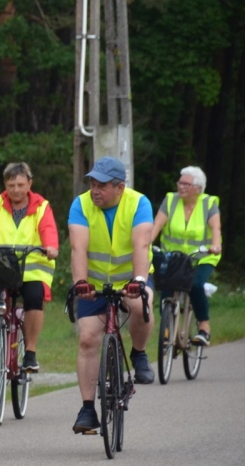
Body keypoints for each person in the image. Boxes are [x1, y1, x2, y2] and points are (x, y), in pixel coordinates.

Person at [68, 156, 155, 434]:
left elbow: (141, 244)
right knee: (87, 339)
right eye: (92, 184)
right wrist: (80, 282)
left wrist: (139, 281)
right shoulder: (80, 204)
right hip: (93, 284)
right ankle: (86, 409)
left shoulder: (138, 203)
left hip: (129, 280)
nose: (95, 190)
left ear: (120, 187)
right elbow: (78, 249)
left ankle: (139, 353)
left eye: (102, 186)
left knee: (142, 306)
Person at [0, 161, 59, 381]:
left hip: (30, 270)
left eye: (21, 184)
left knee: (34, 298)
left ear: (29, 183)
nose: (16, 189)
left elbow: (48, 229)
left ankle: (30, 352)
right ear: (5, 184)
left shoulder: (41, 206)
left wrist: (50, 247)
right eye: (11, 185)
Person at [151, 166, 222, 346]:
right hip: (173, 257)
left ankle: (204, 328)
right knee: (166, 288)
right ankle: (167, 329)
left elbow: (215, 228)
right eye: (180, 182)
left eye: (186, 183)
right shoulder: (170, 201)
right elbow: (156, 226)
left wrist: (215, 245)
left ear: (198, 188)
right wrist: (146, 244)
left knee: (196, 285)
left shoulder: (208, 203)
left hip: (202, 257)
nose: (181, 186)